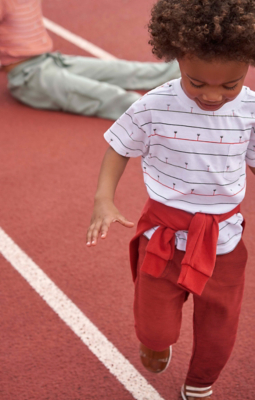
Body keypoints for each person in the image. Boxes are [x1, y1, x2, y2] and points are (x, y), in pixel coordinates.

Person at [86, 0, 255, 398]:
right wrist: (103, 199)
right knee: (154, 327)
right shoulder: (154, 105)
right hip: (163, 237)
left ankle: (199, 384)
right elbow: (119, 147)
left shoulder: (250, 109)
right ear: (177, 59)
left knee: (220, 328)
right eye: (197, 83)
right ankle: (155, 341)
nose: (213, 96)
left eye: (228, 85)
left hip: (223, 243)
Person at [0, 0, 180, 120]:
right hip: (28, 77)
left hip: (51, 60)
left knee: (123, 69)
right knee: (107, 95)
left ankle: (187, 71)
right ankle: (166, 115)